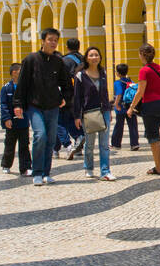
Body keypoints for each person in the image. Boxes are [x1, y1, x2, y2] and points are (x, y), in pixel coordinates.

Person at [13, 28, 73, 185]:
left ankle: (46, 172)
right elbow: (22, 84)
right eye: (50, 39)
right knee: (40, 135)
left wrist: (65, 98)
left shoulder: (58, 62)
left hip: (53, 106)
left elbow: (66, 83)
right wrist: (18, 104)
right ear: (42, 41)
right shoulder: (31, 60)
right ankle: (37, 172)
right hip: (35, 105)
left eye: (55, 40)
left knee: (51, 139)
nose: (53, 43)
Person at [126, 43, 160, 175]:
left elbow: (140, 91)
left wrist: (131, 107)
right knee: (153, 132)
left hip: (151, 104)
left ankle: (158, 168)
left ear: (141, 55)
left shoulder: (144, 70)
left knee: (153, 136)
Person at [73, 46, 114, 180]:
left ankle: (105, 171)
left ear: (100, 57)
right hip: (88, 113)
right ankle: (88, 167)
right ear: (86, 58)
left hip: (104, 111)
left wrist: (109, 109)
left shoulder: (103, 73)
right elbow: (77, 97)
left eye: (96, 55)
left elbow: (106, 92)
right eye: (91, 55)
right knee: (89, 143)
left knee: (104, 144)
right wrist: (77, 116)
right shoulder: (80, 75)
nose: (94, 57)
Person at [0, 63, 31, 176]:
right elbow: (3, 105)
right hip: (11, 122)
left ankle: (25, 167)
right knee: (9, 144)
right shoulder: (6, 88)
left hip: (23, 121)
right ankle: (6, 164)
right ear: (14, 73)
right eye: (20, 71)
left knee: (24, 145)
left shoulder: (26, 87)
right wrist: (6, 118)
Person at [58, 37, 85, 160]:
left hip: (69, 94)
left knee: (62, 120)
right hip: (84, 94)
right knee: (76, 117)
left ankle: (73, 140)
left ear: (67, 47)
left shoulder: (65, 61)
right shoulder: (85, 59)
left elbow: (62, 78)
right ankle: (79, 138)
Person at [111, 62, 140, 151]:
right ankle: (134, 144)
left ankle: (116, 144)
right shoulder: (131, 81)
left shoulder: (117, 83)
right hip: (131, 106)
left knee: (119, 126)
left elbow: (119, 94)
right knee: (133, 126)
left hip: (121, 107)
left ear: (118, 73)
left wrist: (116, 104)